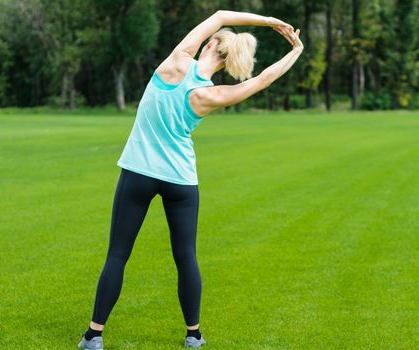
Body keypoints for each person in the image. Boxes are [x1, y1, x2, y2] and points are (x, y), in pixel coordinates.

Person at [77, 9, 303, 350]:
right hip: (181, 180)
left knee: (118, 256)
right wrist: (296, 50)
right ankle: (193, 335)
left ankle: (94, 336)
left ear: (209, 43)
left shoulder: (176, 62)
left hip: (139, 173)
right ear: (227, 61)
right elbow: (263, 80)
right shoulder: (210, 95)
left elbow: (221, 14)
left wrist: (269, 21)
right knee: (186, 257)